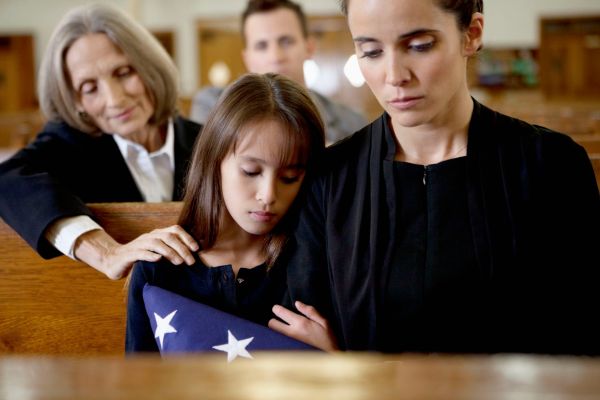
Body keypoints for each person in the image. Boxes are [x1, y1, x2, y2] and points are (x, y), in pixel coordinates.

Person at [285, 0, 600, 355]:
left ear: (472, 34)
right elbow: (301, 330)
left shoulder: (552, 165)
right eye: (371, 52)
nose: (394, 75)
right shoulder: (328, 178)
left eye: (419, 46)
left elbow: (584, 333)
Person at [126, 72, 335, 353]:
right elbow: (139, 376)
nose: (268, 195)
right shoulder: (159, 267)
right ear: (215, 160)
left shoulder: (315, 264)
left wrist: (332, 358)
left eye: (289, 177)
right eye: (251, 171)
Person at [0, 3, 201, 280]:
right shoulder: (70, 144)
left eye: (124, 73)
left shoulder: (207, 140)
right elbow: (7, 180)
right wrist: (106, 253)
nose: (114, 99)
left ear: (149, 67)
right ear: (76, 102)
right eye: (90, 88)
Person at [189, 0, 367, 145]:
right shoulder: (213, 105)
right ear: (247, 59)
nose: (275, 57)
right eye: (261, 46)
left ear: (309, 48)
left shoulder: (353, 123)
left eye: (286, 41)